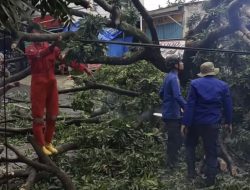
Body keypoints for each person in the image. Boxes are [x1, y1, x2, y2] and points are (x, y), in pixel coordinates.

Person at [181, 62, 232, 186]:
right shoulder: (223, 85)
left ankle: (191, 175)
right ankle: (210, 181)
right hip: (212, 124)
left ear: (202, 73)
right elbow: (228, 105)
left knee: (190, 147)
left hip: (195, 123)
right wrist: (229, 122)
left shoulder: (195, 84)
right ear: (213, 72)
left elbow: (190, 104)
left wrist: (185, 123)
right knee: (211, 152)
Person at [25, 23, 64, 156]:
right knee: (38, 118)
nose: (39, 34)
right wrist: (53, 45)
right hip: (38, 85)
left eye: (39, 31)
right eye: (35, 32)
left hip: (51, 84)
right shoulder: (30, 49)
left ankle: (48, 142)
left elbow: (64, 58)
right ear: (30, 36)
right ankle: (41, 145)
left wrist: (83, 67)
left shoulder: (49, 46)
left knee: (52, 116)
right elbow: (39, 55)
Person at [159, 55, 186, 169]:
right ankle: (172, 164)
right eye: (180, 62)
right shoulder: (174, 78)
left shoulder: (168, 76)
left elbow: (161, 93)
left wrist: (167, 102)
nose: (182, 63)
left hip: (168, 112)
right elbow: (177, 96)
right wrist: (187, 107)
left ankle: (172, 162)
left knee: (174, 138)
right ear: (176, 65)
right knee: (174, 139)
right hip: (173, 114)